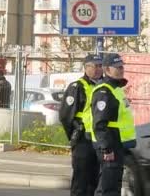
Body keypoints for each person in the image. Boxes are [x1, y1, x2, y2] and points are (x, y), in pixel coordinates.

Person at [90, 53, 136, 196]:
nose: (121, 69)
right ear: (107, 70)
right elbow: (100, 123)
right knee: (107, 187)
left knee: (114, 186)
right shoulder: (104, 91)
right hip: (110, 145)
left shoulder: (116, 89)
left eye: (122, 67)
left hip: (118, 144)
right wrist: (106, 148)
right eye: (117, 67)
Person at [59, 54, 103, 196]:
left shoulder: (105, 86)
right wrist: (74, 135)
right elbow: (66, 116)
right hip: (83, 140)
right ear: (85, 68)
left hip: (100, 140)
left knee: (95, 181)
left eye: (99, 66)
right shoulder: (77, 87)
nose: (97, 69)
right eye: (93, 66)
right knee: (81, 181)